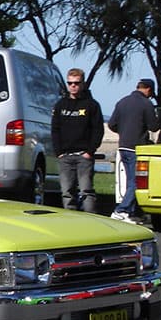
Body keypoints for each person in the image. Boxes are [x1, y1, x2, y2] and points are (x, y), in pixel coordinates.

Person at [51, 68, 104, 213]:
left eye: (76, 83)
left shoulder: (92, 105)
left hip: (84, 156)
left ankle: (91, 220)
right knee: (67, 192)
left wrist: (89, 151)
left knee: (86, 191)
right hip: (65, 156)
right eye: (70, 83)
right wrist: (59, 152)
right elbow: (55, 129)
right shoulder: (60, 105)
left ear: (82, 83)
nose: (73, 86)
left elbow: (98, 130)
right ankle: (71, 220)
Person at [108, 78, 159, 222]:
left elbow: (112, 124)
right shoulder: (146, 104)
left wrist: (123, 131)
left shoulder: (122, 102)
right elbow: (154, 126)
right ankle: (121, 210)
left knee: (130, 180)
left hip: (123, 146)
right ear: (148, 89)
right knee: (135, 182)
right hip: (136, 147)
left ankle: (131, 212)